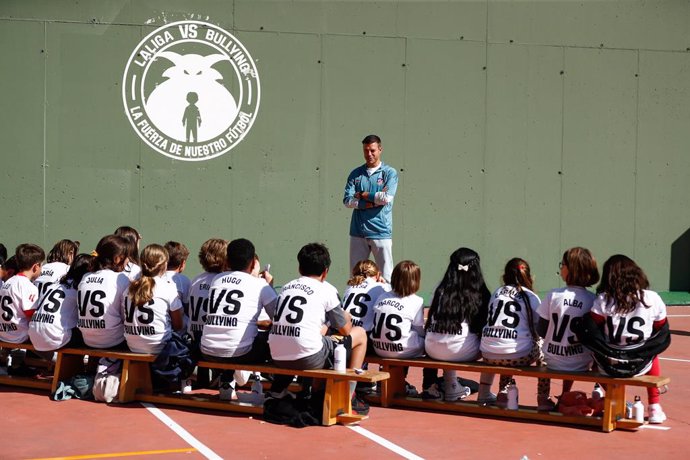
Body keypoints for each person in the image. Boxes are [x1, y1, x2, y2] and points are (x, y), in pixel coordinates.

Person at [268, 243, 369, 414]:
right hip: (308, 356)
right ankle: (349, 395)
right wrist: (346, 317)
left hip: (276, 355)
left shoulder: (286, 287)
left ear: (299, 268)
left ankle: (293, 391)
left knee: (318, 339)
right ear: (325, 271)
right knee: (359, 335)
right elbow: (344, 330)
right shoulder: (327, 290)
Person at [589, 255, 669, 424]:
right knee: (652, 352)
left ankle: (616, 399)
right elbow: (660, 327)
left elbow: (594, 328)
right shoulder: (652, 298)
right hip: (640, 363)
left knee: (593, 351)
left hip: (609, 365)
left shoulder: (603, 299)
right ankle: (654, 406)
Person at [201, 238, 277, 400]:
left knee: (234, 332)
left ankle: (227, 381)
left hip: (208, 350)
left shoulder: (217, 279)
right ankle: (277, 388)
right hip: (241, 353)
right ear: (253, 263)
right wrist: (267, 285)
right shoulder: (260, 285)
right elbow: (279, 318)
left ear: (227, 261)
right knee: (275, 336)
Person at [479, 258, 555, 411]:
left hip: (487, 354)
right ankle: (543, 398)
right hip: (517, 357)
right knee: (542, 349)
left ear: (505, 276)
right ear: (528, 276)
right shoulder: (530, 296)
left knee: (508, 342)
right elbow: (540, 330)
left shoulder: (497, 292)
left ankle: (503, 393)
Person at [423, 248, 491, 402]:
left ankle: (448, 384)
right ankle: (484, 391)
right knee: (485, 340)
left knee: (448, 336)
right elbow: (481, 327)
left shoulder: (439, 288)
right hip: (463, 351)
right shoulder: (481, 292)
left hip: (431, 349)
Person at [536, 247, 599, 400]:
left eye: (562, 264)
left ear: (571, 269)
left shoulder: (554, 295)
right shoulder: (593, 300)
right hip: (582, 363)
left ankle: (544, 399)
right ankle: (599, 389)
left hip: (552, 360)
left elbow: (541, 330)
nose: (561, 268)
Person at [343, 134, 398, 282]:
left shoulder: (389, 173)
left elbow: (386, 198)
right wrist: (371, 202)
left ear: (380, 149)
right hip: (358, 231)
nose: (369, 154)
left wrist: (362, 194)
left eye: (372, 150)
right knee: (356, 276)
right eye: (366, 150)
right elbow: (348, 201)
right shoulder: (356, 174)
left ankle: (387, 304)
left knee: (386, 277)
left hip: (381, 231)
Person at [123, 244, 184, 354]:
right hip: (160, 347)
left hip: (132, 345)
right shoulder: (168, 287)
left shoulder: (129, 287)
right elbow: (178, 325)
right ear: (164, 265)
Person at [29, 254, 95, 351]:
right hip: (54, 337)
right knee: (91, 334)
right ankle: (81, 366)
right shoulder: (79, 288)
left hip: (33, 334)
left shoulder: (55, 284)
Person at [77, 235, 130, 348]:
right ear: (117, 258)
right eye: (126, 257)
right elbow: (125, 316)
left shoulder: (85, 276)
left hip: (87, 339)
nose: (128, 260)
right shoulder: (121, 278)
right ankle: (111, 363)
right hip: (113, 340)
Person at [0, 244, 45, 343]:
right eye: (41, 265)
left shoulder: (8, 282)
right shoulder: (28, 286)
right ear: (35, 267)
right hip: (19, 336)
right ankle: (55, 359)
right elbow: (32, 317)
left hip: (3, 334)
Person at [342, 259, 390, 333]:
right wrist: (384, 283)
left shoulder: (350, 286)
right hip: (364, 333)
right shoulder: (381, 287)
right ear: (378, 275)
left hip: (344, 329)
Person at [164, 241, 191, 312]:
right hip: (177, 321)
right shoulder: (185, 281)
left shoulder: (156, 277)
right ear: (182, 263)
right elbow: (188, 308)